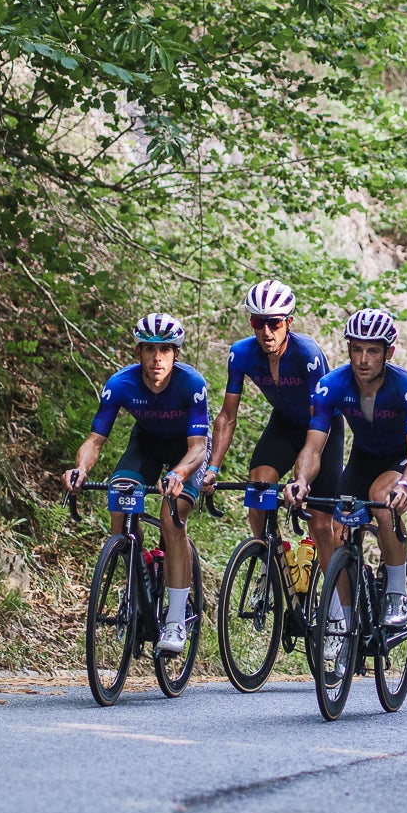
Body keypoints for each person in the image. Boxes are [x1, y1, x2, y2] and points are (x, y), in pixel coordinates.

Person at [65, 313, 211, 654]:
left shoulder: (191, 384)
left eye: (165, 350)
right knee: (121, 500)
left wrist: (178, 474)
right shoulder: (121, 383)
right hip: (145, 443)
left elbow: (198, 448)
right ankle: (135, 572)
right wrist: (81, 470)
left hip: (187, 451)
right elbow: (95, 441)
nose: (156, 358)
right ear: (138, 352)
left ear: (176, 354)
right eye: (149, 349)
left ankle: (175, 619)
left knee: (171, 517)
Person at [287, 309, 407, 635]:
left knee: (381, 498)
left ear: (388, 352)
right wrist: (301, 481)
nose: (363, 359)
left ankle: (397, 591)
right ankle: (346, 623)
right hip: (363, 458)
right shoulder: (331, 385)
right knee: (338, 528)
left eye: (373, 351)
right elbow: (313, 448)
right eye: (356, 349)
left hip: (403, 460)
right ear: (348, 348)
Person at [206, 280, 340, 563]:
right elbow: (228, 416)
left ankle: (339, 604)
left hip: (323, 427)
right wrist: (213, 467)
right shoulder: (241, 354)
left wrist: (302, 478)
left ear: (289, 322)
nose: (266, 331)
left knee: (318, 522)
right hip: (285, 423)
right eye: (258, 322)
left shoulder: (307, 354)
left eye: (274, 323)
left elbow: (318, 421)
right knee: (258, 490)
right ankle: (272, 569)